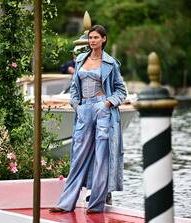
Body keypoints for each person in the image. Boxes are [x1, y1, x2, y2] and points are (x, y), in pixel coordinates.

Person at [50, 25, 127, 213]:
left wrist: (107, 104)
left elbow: (121, 91)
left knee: (102, 158)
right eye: (90, 37)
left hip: (103, 111)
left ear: (104, 39)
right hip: (84, 110)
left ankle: (96, 204)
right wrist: (77, 105)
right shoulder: (80, 61)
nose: (92, 40)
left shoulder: (111, 63)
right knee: (78, 157)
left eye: (95, 37)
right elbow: (75, 87)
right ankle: (65, 203)